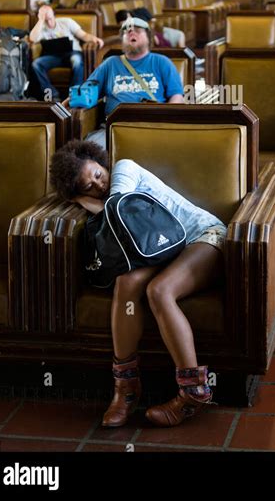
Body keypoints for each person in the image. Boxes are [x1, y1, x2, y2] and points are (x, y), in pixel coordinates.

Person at [49, 140, 226, 428]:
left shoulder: (124, 168)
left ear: (101, 162)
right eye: (87, 187)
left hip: (203, 236)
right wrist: (78, 199)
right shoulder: (101, 190)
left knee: (160, 290)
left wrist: (80, 200)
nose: (98, 185)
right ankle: (126, 389)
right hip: (163, 251)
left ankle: (194, 392)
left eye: (96, 174)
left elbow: (118, 208)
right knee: (126, 283)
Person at [80, 15, 184, 148]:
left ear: (149, 38)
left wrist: (165, 123)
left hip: (151, 127)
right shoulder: (110, 63)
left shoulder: (162, 62)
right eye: (127, 31)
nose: (131, 33)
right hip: (113, 128)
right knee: (86, 153)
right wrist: (70, 101)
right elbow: (88, 90)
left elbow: (177, 97)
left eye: (138, 30)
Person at [29, 5, 103, 101]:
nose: (45, 12)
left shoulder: (66, 22)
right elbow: (32, 39)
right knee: (36, 64)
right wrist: (40, 20)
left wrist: (94, 39)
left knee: (76, 61)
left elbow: (83, 35)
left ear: (53, 13)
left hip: (72, 53)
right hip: (54, 56)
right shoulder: (41, 28)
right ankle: (52, 94)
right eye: (42, 12)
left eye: (47, 10)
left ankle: (74, 94)